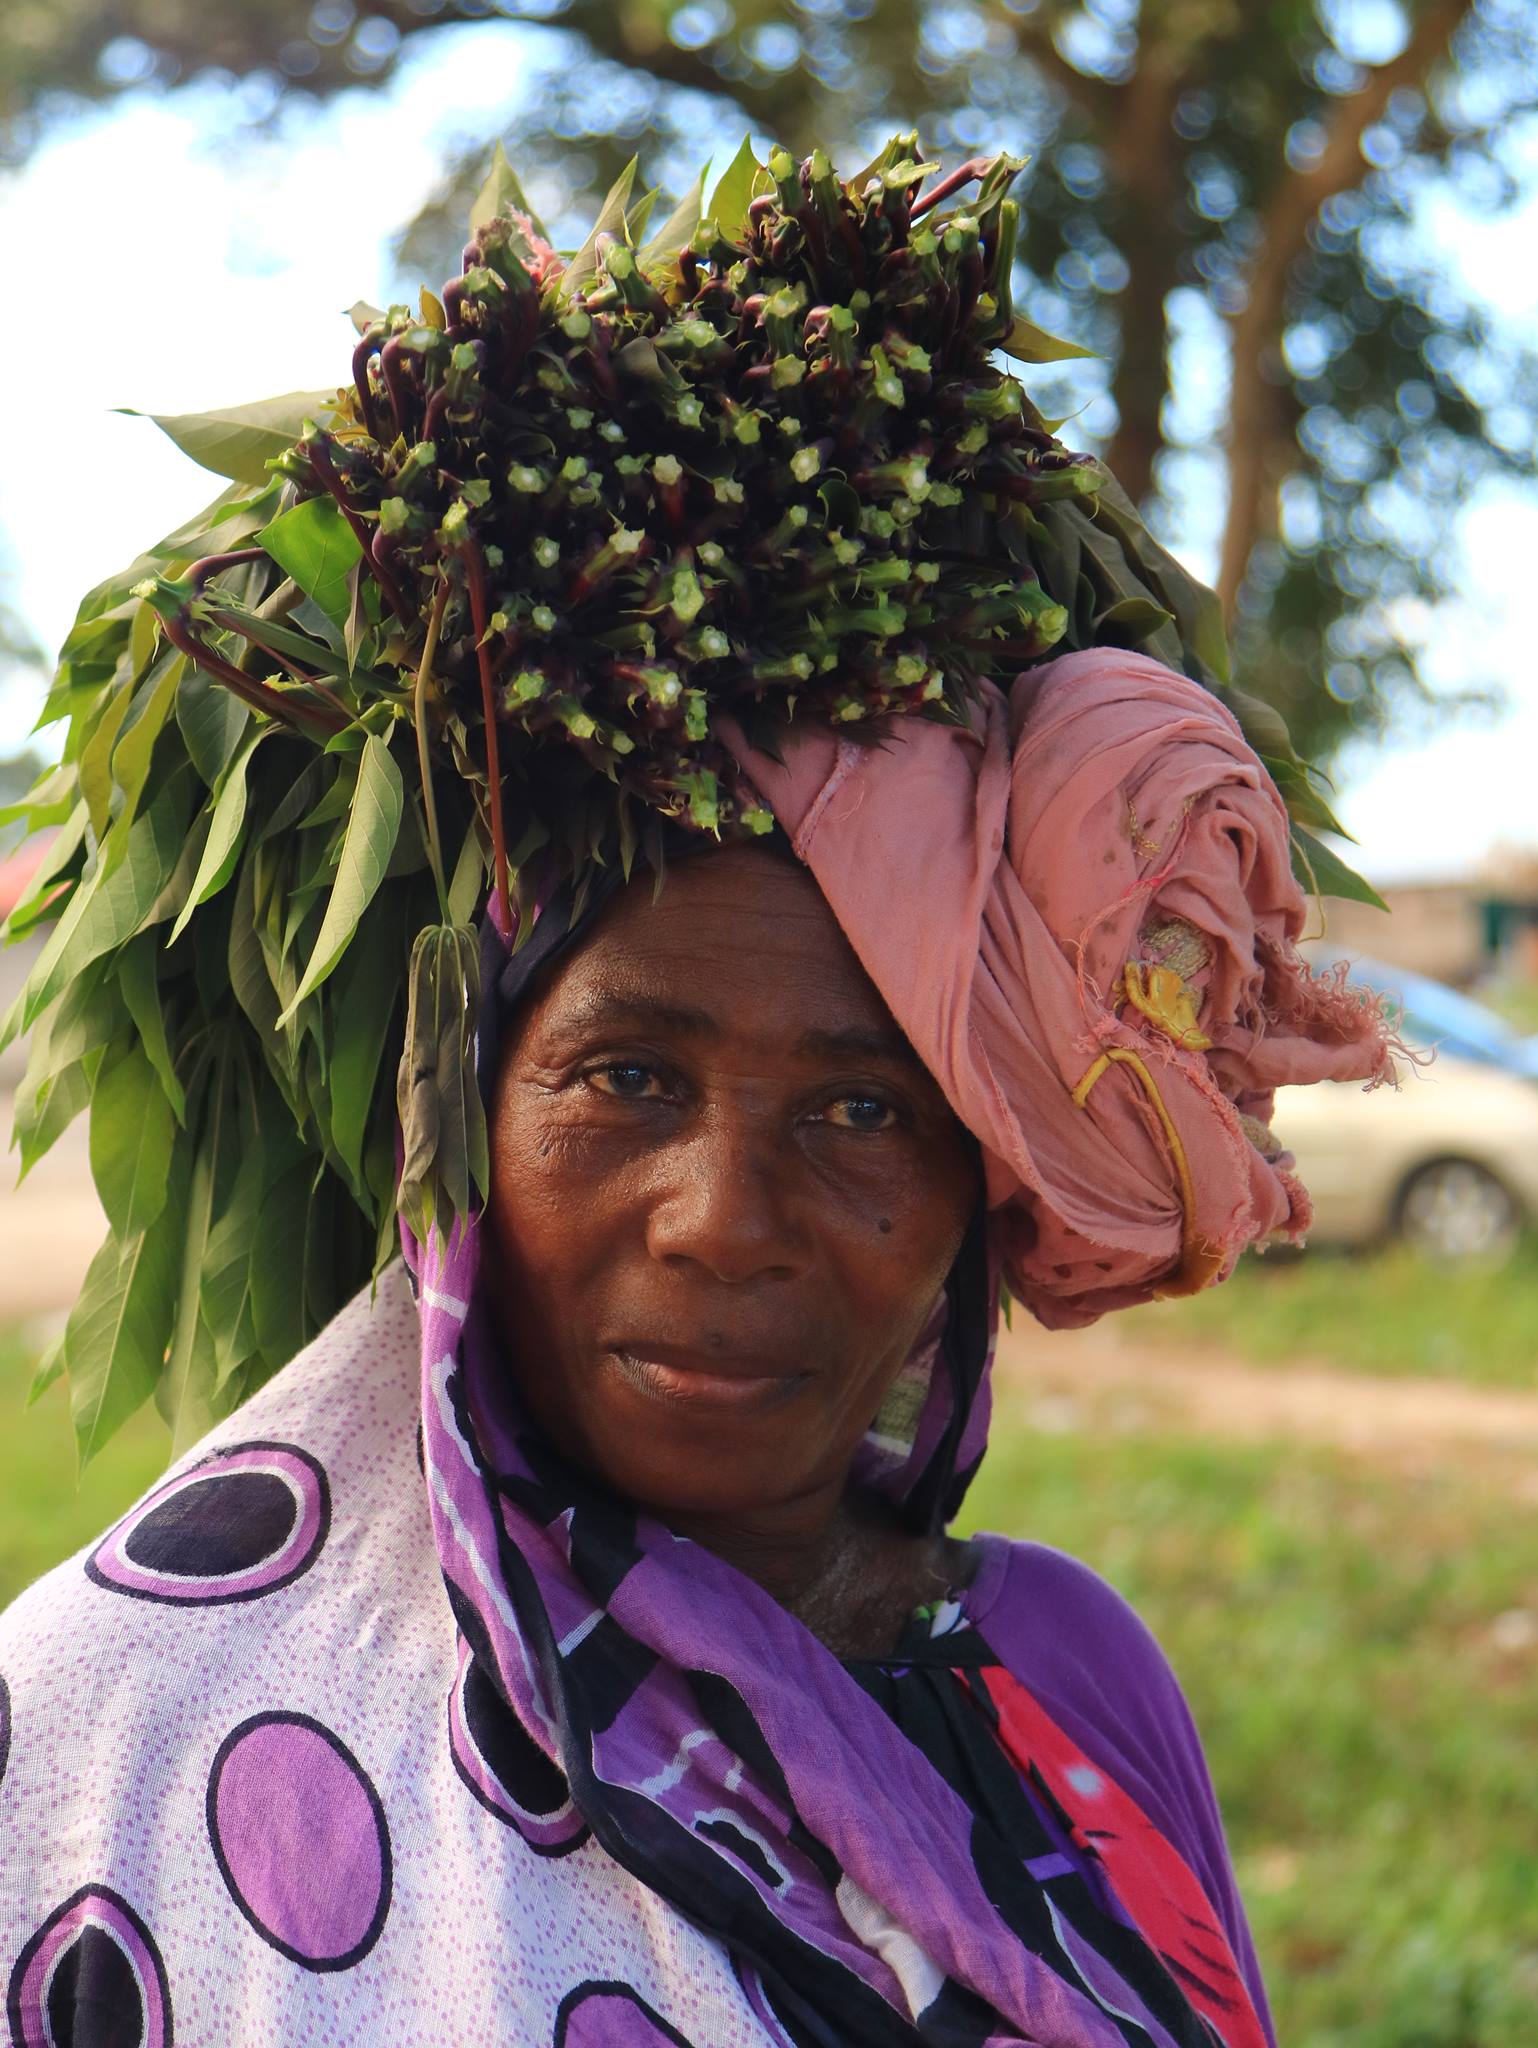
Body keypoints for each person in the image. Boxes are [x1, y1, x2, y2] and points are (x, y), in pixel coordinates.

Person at [0, 137, 1390, 2045]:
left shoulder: (1066, 1677)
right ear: (462, 1126)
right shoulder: (116, 1728)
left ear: (981, 1166)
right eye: (624, 1074)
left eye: (861, 1109)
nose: (726, 1219)